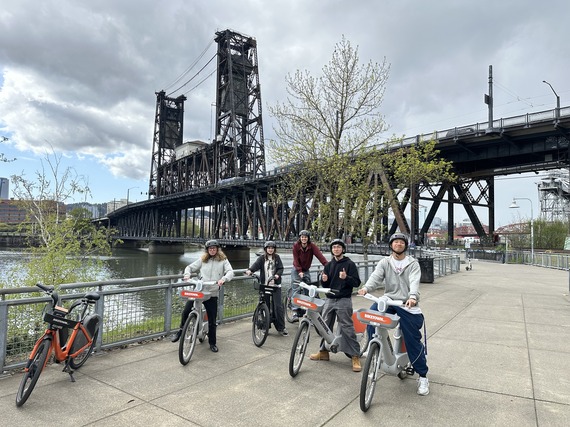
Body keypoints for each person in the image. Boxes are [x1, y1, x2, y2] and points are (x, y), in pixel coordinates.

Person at [357, 232, 430, 396]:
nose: (399, 244)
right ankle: (375, 346)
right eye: (395, 242)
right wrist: (366, 288)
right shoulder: (385, 262)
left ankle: (423, 376)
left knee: (412, 339)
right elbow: (376, 277)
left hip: (405, 302)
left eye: (401, 242)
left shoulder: (412, 263)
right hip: (389, 300)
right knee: (372, 315)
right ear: (391, 245)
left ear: (405, 246)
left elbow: (414, 282)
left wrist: (412, 297)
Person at [171, 239, 234, 353]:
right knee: (186, 311)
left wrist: (223, 279)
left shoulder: (223, 260)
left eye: (214, 248)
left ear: (217, 249)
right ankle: (180, 331)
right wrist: (187, 275)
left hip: (212, 292)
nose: (212, 250)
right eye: (210, 249)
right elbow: (189, 267)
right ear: (207, 250)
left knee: (212, 319)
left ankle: (212, 343)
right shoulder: (203, 259)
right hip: (200, 290)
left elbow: (230, 272)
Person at [309, 239, 362, 372]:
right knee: (324, 326)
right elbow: (326, 285)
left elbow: (356, 283)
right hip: (329, 299)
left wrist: (346, 278)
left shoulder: (350, 264)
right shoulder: (329, 265)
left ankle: (355, 355)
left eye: (338, 247)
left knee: (347, 327)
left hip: (343, 299)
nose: (336, 249)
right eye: (334, 247)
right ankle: (323, 352)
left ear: (343, 249)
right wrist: (323, 281)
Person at [244, 241, 288, 336]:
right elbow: (256, 265)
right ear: (265, 249)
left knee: (278, 306)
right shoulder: (261, 258)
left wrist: (277, 275)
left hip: (275, 286)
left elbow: (281, 268)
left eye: (272, 248)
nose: (270, 249)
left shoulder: (277, 258)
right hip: (265, 285)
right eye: (268, 248)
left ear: (274, 249)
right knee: (265, 306)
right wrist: (250, 270)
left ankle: (281, 327)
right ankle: (265, 326)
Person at [291, 229, 328, 320]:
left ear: (308, 238)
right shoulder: (296, 246)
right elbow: (295, 260)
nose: (304, 239)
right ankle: (295, 311)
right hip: (296, 269)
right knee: (296, 289)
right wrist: (299, 271)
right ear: (300, 238)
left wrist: (328, 266)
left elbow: (320, 256)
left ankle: (308, 311)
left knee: (309, 290)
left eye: (306, 237)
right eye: (302, 237)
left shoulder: (312, 246)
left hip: (306, 270)